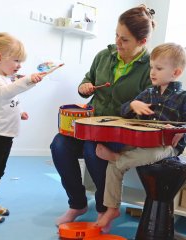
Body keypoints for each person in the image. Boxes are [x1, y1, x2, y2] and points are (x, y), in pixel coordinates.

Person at [50, 5, 156, 231]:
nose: (118, 42)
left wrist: (133, 108)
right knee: (59, 144)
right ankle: (77, 204)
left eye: (125, 40)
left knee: (93, 149)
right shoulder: (103, 56)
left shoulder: (150, 68)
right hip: (92, 127)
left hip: (122, 133)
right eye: (117, 35)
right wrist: (84, 87)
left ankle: (104, 208)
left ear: (142, 42)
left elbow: (150, 111)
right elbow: (86, 80)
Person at [95, 42, 186, 228]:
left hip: (167, 147)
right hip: (142, 141)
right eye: (152, 67)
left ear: (175, 73)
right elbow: (124, 111)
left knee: (131, 158)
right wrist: (132, 105)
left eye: (158, 68)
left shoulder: (185, 97)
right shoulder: (148, 93)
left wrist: (180, 129)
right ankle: (112, 208)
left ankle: (118, 158)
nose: (152, 72)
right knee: (113, 167)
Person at [0, 32, 46, 223]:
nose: (19, 65)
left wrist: (19, 111)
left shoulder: (6, 79)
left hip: (5, 135)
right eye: (16, 60)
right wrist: (28, 79)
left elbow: (13, 98)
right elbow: (6, 93)